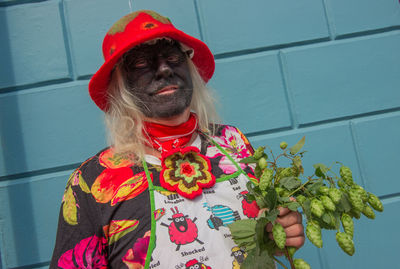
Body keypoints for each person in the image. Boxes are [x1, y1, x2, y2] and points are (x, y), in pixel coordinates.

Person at [50, 10, 304, 269]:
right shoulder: (92, 182)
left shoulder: (232, 142)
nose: (163, 69)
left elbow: (263, 234)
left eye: (173, 56)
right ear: (120, 84)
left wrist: (280, 230)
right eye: (141, 63)